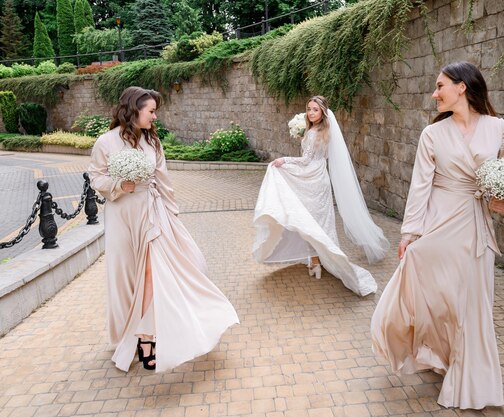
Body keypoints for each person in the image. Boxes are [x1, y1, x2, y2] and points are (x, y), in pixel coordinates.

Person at [370, 62, 504, 409]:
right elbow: (420, 188)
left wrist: (502, 202)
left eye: (440, 86)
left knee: (472, 304)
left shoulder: (500, 129)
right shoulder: (432, 135)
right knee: (441, 298)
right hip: (440, 224)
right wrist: (409, 233)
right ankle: (434, 350)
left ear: (462, 87)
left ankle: (470, 379)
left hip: (476, 226)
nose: (434, 94)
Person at [88, 86, 239, 372]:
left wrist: (173, 213)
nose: (155, 117)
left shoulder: (152, 142)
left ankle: (147, 337)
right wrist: (119, 185)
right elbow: (96, 176)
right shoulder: (105, 143)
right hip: (122, 215)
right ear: (134, 110)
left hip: (152, 212)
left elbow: (163, 179)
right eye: (151, 111)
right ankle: (130, 336)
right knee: (127, 277)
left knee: (155, 271)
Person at [253, 96, 389, 296]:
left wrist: (284, 160)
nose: (310, 113)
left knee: (310, 222)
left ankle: (316, 262)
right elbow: (321, 158)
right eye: (308, 109)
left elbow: (306, 160)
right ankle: (317, 261)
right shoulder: (325, 131)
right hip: (321, 179)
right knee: (320, 223)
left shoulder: (313, 133)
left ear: (323, 112)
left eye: (315, 109)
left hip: (312, 180)